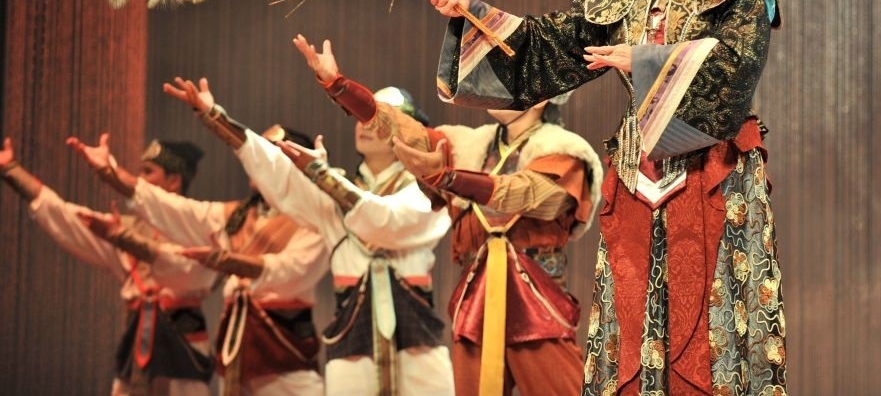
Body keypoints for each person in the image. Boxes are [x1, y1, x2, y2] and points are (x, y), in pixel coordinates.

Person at [418, 0, 788, 396]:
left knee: (713, 341)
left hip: (713, 184)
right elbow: (540, 50)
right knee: (630, 337)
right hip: (637, 186)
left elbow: (731, 80)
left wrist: (643, 62)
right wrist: (470, 10)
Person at [162, 67, 455, 396]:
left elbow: (386, 222)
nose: (365, 123)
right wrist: (215, 117)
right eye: (361, 115)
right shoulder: (331, 195)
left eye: (378, 117)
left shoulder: (428, 192)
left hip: (418, 340)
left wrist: (322, 175)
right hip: (351, 340)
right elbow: (278, 173)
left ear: (408, 129)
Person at [71, 130, 330, 396]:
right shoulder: (236, 217)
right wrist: (111, 173)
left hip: (285, 355)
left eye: (266, 153)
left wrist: (228, 261)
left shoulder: (315, 218)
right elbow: (176, 209)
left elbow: (292, 269)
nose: (256, 160)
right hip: (237, 353)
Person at [390, 89, 604, 396]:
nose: (498, 91)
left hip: (536, 300)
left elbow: (519, 193)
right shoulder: (469, 145)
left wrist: (447, 178)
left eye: (511, 83)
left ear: (542, 97)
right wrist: (338, 86)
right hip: (477, 295)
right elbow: (407, 131)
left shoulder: (564, 151)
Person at [1, 135, 216, 396]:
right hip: (136, 346)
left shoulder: (199, 231)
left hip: (183, 350)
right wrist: (12, 171)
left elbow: (184, 267)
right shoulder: (125, 227)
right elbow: (68, 218)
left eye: (148, 172)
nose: (140, 179)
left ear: (173, 181)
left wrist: (123, 238)